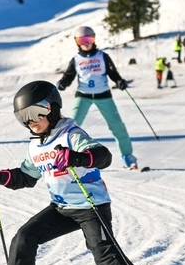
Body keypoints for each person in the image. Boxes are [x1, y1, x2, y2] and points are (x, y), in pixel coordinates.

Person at [0, 81, 178, 265]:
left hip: (91, 206)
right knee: (24, 237)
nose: (30, 122)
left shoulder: (70, 135)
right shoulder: (36, 145)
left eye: (35, 113)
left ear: (52, 109)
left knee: (104, 253)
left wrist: (77, 157)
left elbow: (103, 155)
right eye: (23, 117)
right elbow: (26, 177)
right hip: (62, 208)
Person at [56, 26, 139, 169]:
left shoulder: (102, 56)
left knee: (117, 126)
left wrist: (119, 81)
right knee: (70, 126)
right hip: (83, 95)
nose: (86, 42)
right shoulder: (76, 59)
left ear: (94, 39)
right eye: (82, 40)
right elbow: (68, 76)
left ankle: (128, 157)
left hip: (103, 95)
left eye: (89, 39)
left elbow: (113, 73)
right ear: (77, 42)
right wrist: (63, 83)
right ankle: (64, 156)